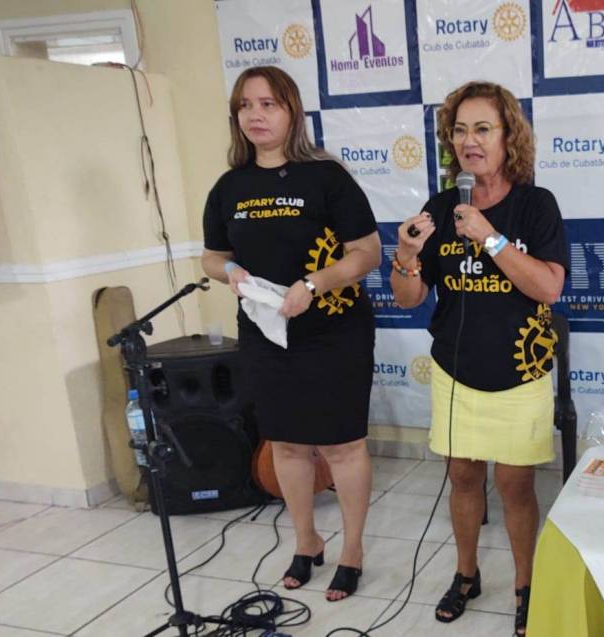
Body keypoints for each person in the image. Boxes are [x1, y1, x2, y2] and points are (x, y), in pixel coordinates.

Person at [391, 81, 568, 636]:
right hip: (455, 371)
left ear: (508, 136)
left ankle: (525, 586)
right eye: (460, 131)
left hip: (518, 372)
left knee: (515, 486)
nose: (470, 141)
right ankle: (466, 574)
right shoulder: (440, 207)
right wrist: (406, 255)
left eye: (483, 129)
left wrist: (491, 239)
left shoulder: (535, 205)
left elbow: (549, 287)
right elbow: (410, 298)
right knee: (463, 478)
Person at [201, 66, 380, 601]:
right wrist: (228, 271)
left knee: (342, 446)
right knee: (286, 443)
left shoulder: (326, 177)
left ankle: (352, 549)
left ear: (292, 112)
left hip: (334, 331)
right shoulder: (229, 187)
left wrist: (314, 284)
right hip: (266, 335)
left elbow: (367, 253)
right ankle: (306, 541)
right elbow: (212, 256)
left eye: (268, 104)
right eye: (245, 105)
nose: (255, 114)